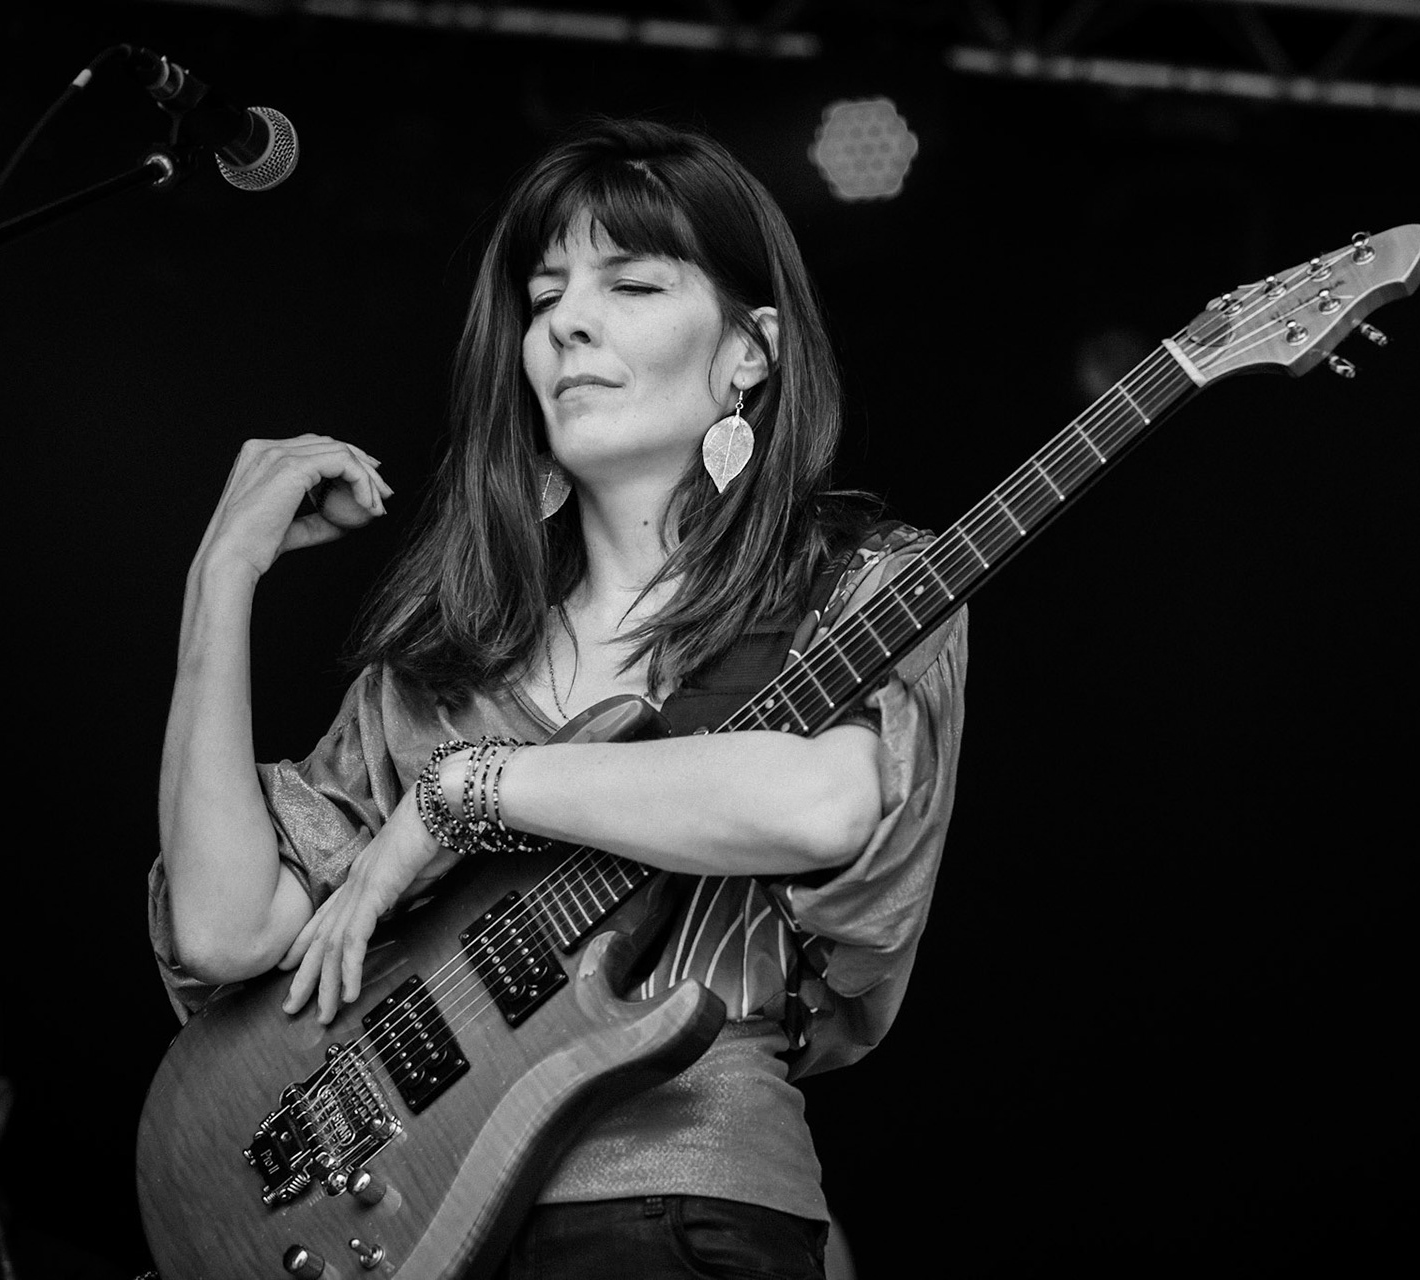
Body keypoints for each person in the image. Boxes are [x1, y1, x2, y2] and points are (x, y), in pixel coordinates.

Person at [146, 117, 966, 1279]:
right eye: (545, 296)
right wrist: (219, 575)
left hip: (679, 1207)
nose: (568, 321)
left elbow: (824, 802)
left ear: (750, 352)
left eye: (631, 282)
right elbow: (225, 928)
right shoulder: (439, 677)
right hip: (428, 1223)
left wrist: (466, 793)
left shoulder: (858, 585)